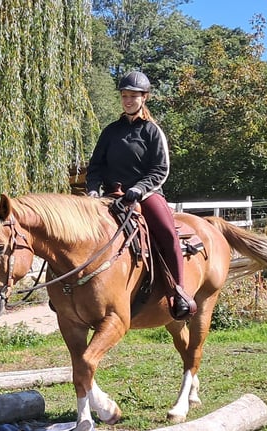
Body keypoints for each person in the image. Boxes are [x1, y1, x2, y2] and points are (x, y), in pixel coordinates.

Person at [85, 71, 197, 320]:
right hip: (110, 196)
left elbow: (160, 169)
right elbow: (96, 166)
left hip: (145, 195)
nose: (127, 100)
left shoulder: (152, 131)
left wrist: (140, 188)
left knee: (167, 232)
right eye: (124, 96)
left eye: (133, 96)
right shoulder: (110, 131)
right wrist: (93, 188)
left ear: (144, 98)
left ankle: (179, 292)